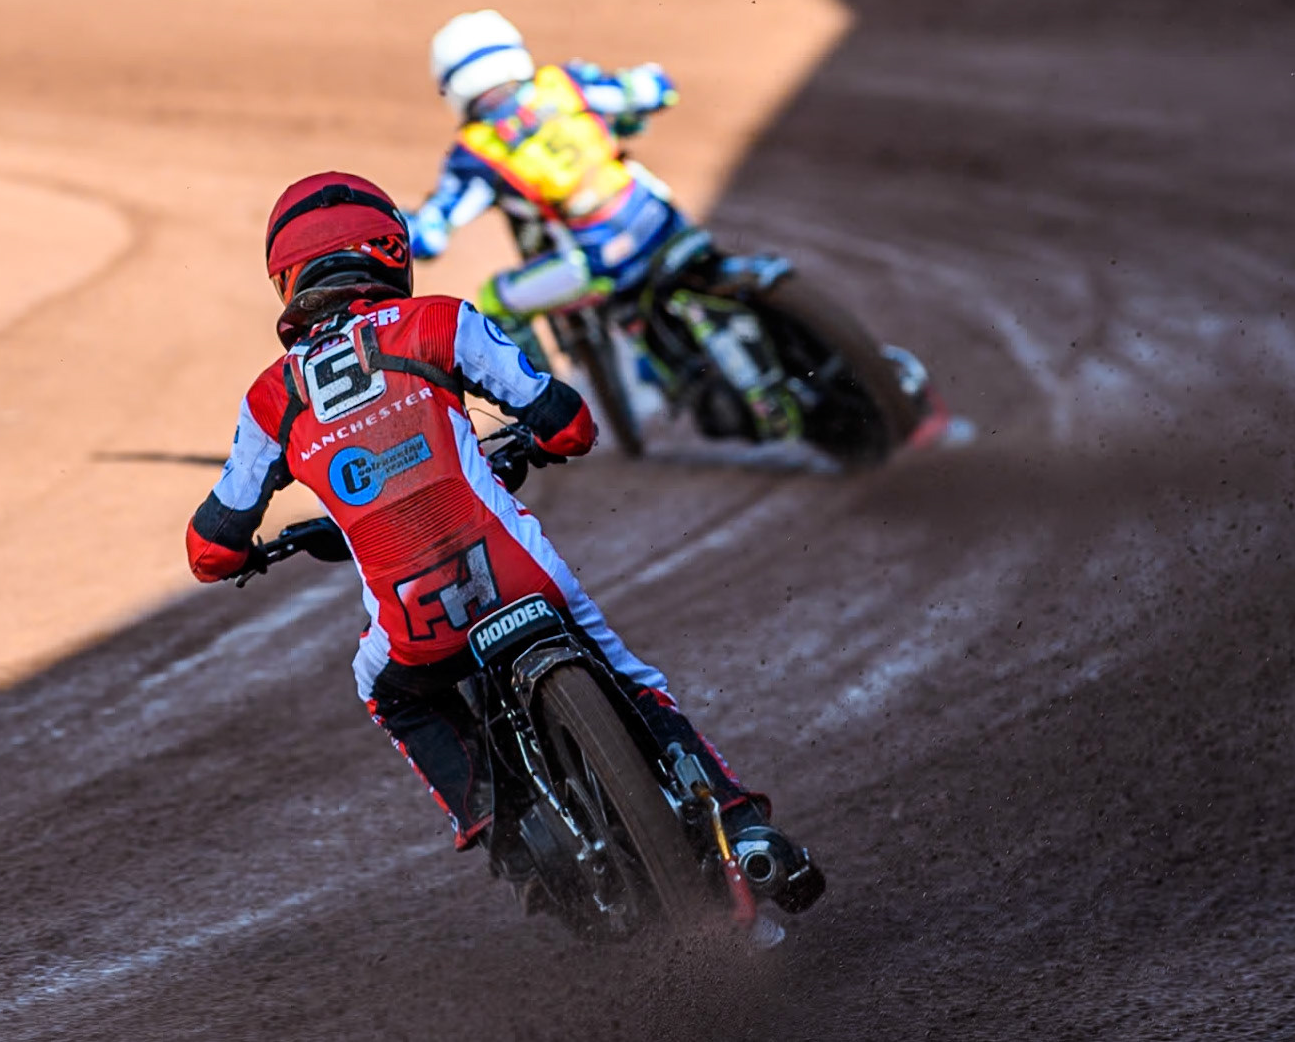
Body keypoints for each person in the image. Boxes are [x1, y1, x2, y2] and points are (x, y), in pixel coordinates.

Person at [186, 170, 820, 913]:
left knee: (382, 687)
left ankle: (503, 835)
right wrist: (542, 435)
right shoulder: (442, 321)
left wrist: (253, 549)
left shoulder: (270, 398)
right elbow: (570, 424)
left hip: (416, 628)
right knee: (629, 673)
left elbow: (210, 550)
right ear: (392, 251)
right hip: (521, 577)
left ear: (287, 279)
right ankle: (741, 824)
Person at [408, 9, 783, 370]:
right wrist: (646, 92)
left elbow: (432, 236)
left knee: (495, 300)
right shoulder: (565, 83)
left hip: (599, 257)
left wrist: (405, 228)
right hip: (660, 218)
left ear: (452, 85)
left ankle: (538, 398)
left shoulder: (475, 151)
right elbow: (656, 90)